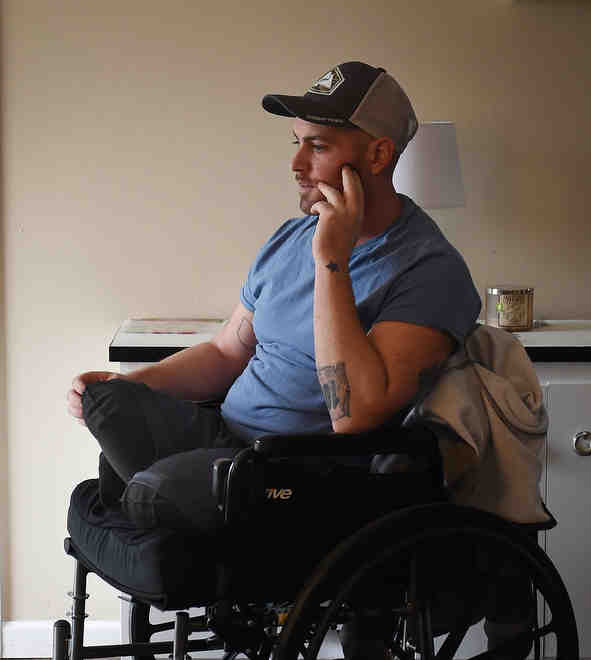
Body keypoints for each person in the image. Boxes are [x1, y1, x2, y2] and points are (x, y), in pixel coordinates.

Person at [66, 62, 484, 657]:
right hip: (229, 444)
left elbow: (356, 415)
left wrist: (331, 262)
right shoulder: (288, 239)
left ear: (378, 154)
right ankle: (174, 498)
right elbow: (226, 351)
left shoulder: (427, 269)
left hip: (307, 478)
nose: (296, 165)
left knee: (146, 493)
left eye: (317, 147)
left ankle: (164, 503)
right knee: (110, 403)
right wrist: (130, 384)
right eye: (296, 145)